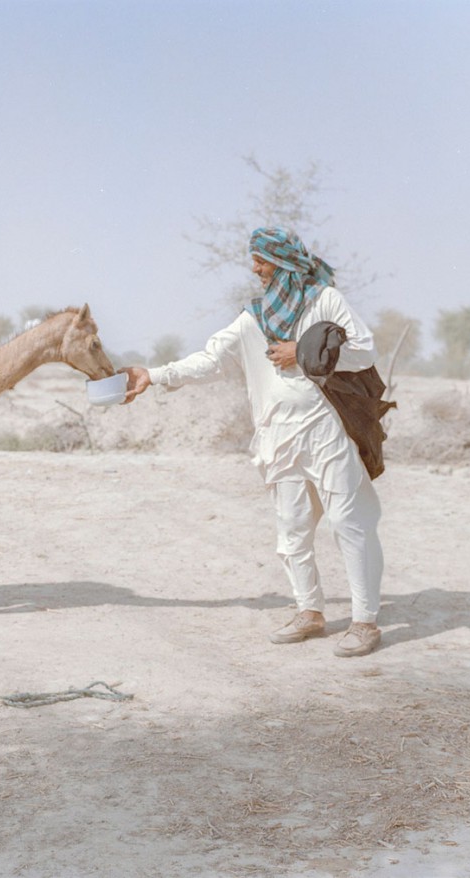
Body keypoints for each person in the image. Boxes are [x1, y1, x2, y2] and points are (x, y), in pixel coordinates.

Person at [122, 227, 384, 657]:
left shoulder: (325, 301)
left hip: (325, 431)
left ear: (283, 262)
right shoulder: (255, 317)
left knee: (349, 523)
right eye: (255, 260)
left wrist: (302, 350)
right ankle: (309, 612)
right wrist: (155, 375)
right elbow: (211, 359)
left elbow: (364, 351)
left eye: (262, 260)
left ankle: (364, 622)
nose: (255, 268)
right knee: (292, 531)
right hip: (278, 437)